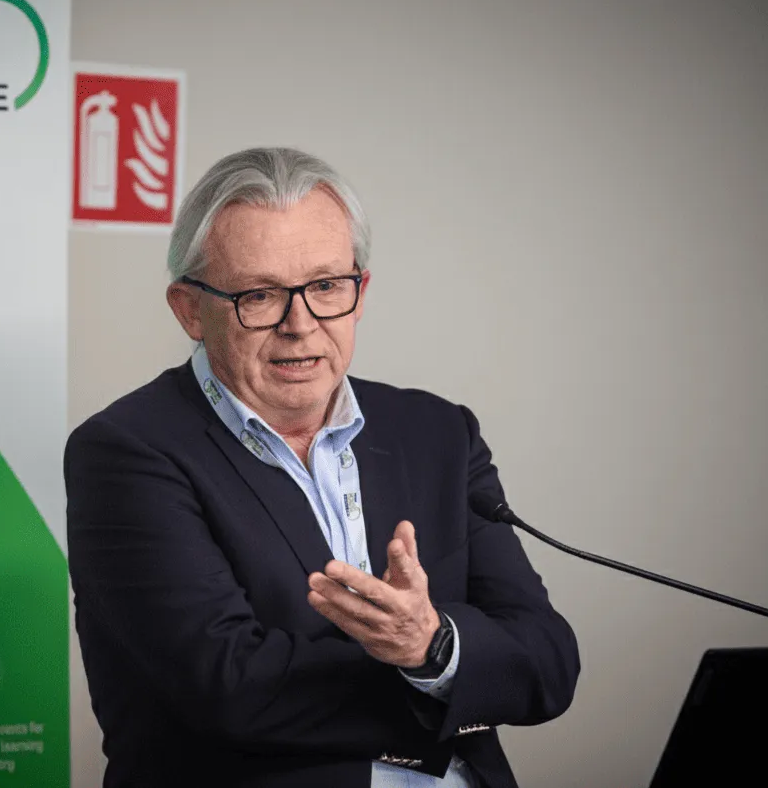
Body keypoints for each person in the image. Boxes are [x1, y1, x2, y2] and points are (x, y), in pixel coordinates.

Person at [65, 147, 579, 788]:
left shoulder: (440, 433)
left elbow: (548, 662)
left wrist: (435, 646)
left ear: (360, 293)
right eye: (260, 295)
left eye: (326, 286)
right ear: (189, 309)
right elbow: (230, 688)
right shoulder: (126, 452)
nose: (300, 324)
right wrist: (439, 672)